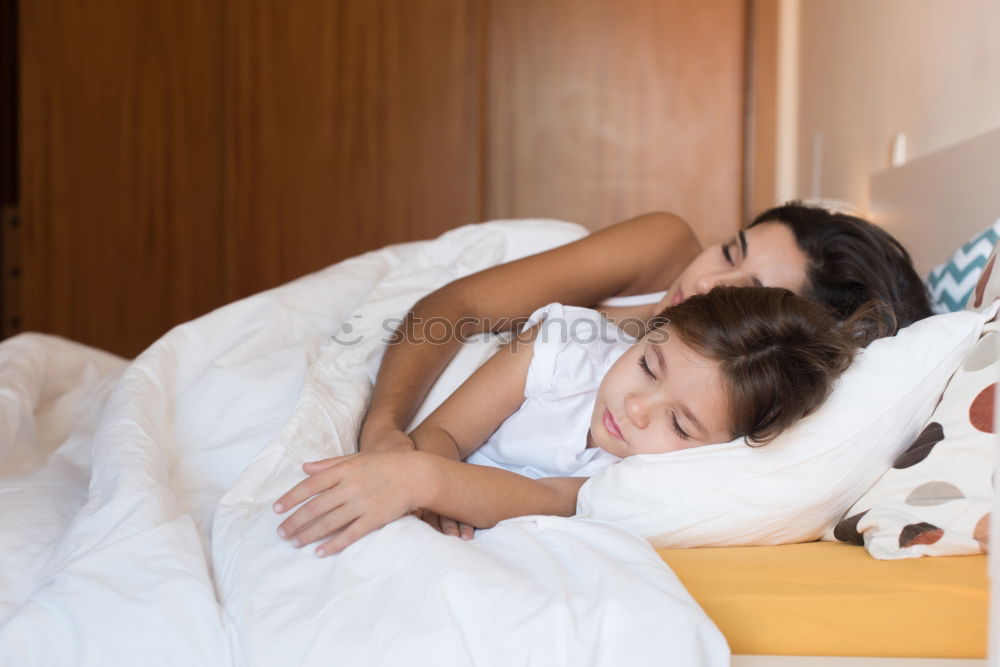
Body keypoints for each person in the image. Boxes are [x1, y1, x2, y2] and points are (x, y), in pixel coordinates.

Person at [273, 286, 883, 556]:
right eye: (648, 364)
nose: (636, 409)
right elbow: (448, 432)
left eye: (681, 425)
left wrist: (428, 484)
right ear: (648, 330)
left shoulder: (650, 481)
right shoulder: (563, 344)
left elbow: (541, 496)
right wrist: (422, 465)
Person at [354, 201, 931, 465]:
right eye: (731, 250)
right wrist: (383, 425)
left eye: (745, 290)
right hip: (402, 359)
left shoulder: (698, 413)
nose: (707, 280)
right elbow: (457, 305)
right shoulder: (663, 246)